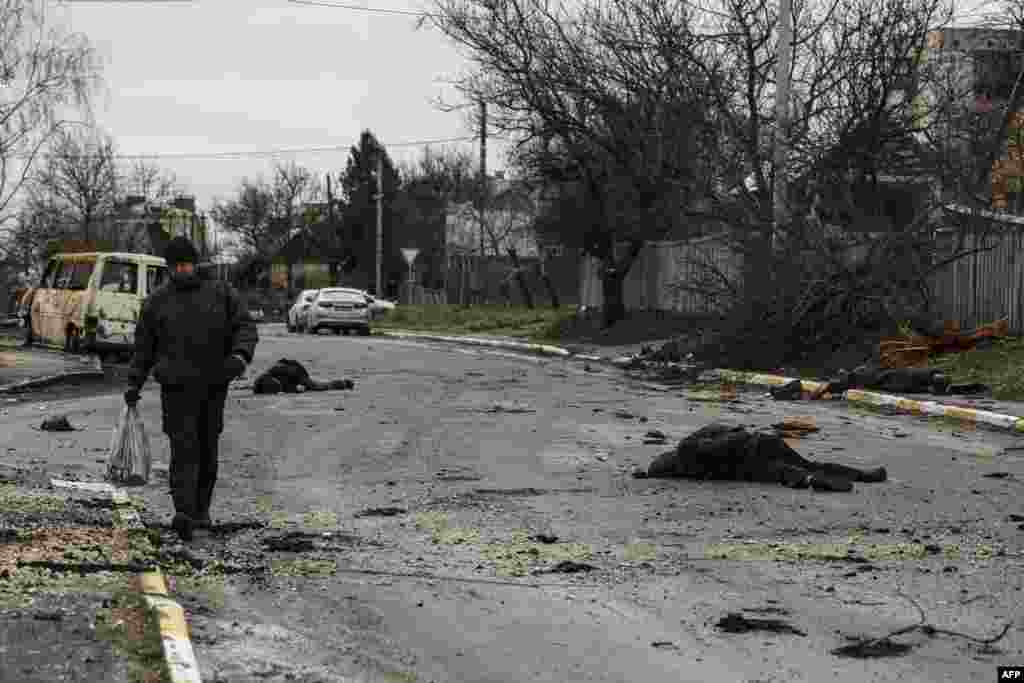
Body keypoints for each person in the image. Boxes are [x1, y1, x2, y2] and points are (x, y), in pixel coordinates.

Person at [124, 237, 258, 541]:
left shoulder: (222, 293)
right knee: (183, 450)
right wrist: (134, 382)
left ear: (195, 264)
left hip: (213, 384)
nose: (182, 270)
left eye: (186, 264)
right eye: (177, 266)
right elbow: (144, 349)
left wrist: (239, 357)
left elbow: (245, 327)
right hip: (176, 387)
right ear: (169, 268)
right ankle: (184, 512)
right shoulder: (157, 302)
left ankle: (201, 511)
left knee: (207, 449)